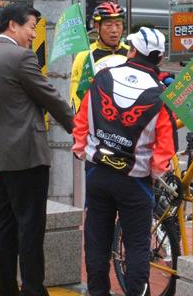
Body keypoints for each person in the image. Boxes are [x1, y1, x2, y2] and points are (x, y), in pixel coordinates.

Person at [0, 4, 74, 296]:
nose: (33, 34)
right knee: (30, 227)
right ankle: (33, 290)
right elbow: (50, 97)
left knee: (3, 226)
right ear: (12, 26)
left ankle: (3, 290)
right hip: (27, 155)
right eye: (30, 27)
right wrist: (77, 128)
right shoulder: (20, 57)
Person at [72, 27, 176, 296]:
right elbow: (165, 150)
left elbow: (81, 121)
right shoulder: (160, 95)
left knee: (96, 241)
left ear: (132, 51)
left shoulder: (103, 78)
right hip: (135, 182)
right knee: (137, 247)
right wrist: (152, 174)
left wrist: (81, 149)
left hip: (97, 173)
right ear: (160, 59)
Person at [70, 1, 129, 112]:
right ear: (97, 26)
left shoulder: (131, 52)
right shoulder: (86, 55)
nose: (114, 30)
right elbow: (77, 94)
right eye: (108, 25)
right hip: (98, 117)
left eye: (118, 24)